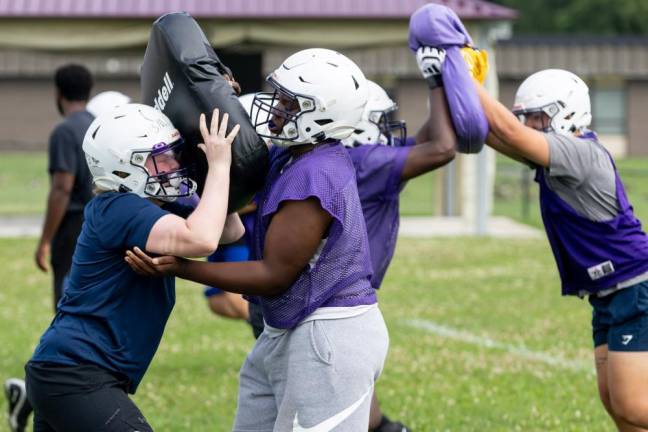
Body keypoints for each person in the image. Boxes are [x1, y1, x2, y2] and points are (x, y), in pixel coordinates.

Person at [126, 48, 389, 431]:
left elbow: (273, 274)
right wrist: (218, 98)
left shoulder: (315, 175)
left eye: (288, 102)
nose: (275, 107)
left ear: (321, 113)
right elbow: (241, 170)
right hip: (287, 326)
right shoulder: (297, 153)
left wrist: (183, 269)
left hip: (327, 334)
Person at [24, 103, 241, 431]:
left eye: (173, 154)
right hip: (76, 375)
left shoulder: (149, 206)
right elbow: (203, 239)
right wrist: (220, 165)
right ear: (124, 168)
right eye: (161, 158)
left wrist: (209, 172)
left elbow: (229, 231)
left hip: (69, 372)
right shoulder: (119, 206)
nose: (173, 165)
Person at [475, 68, 648, 431]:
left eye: (538, 117)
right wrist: (445, 84)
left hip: (636, 288)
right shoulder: (558, 155)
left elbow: (507, 131)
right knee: (617, 405)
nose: (531, 126)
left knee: (634, 405)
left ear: (567, 112)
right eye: (528, 118)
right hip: (608, 294)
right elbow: (491, 134)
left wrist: (461, 74)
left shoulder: (579, 152)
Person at [35, 64, 95, 311]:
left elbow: (62, 189)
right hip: (99, 224)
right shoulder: (99, 125)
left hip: (72, 228)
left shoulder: (64, 131)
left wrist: (45, 240)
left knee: (67, 305)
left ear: (58, 94)